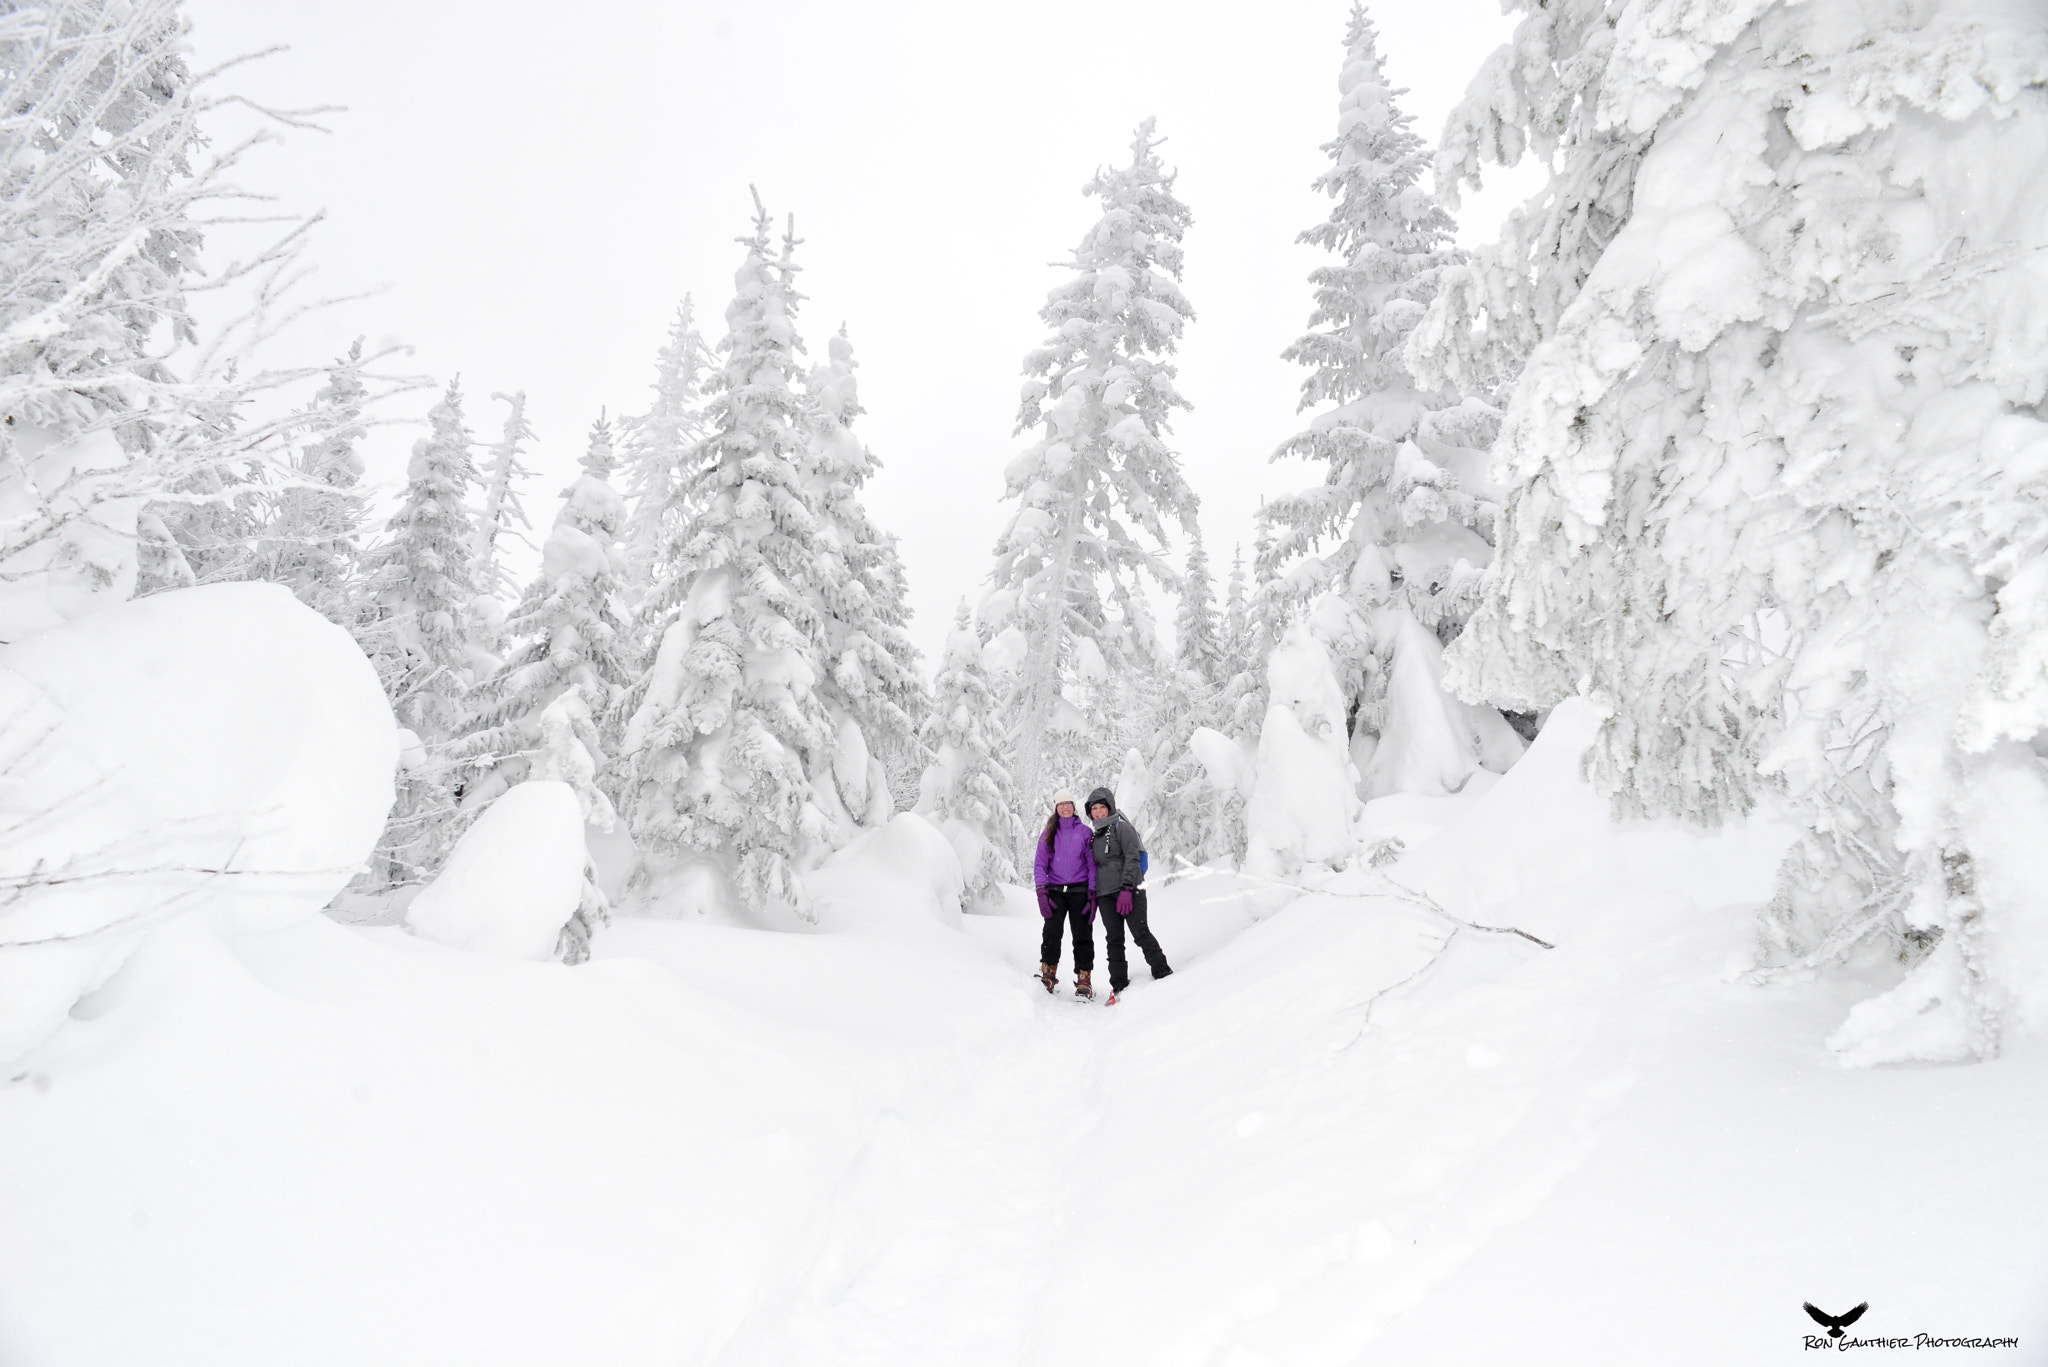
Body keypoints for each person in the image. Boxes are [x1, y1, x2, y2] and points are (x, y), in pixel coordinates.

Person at [1085, 786, 1171, 1001]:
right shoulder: (1096, 836)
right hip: (1106, 895)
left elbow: (1132, 859)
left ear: (1109, 807)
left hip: (1129, 891)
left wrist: (1126, 889)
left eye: (1101, 807)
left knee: (1140, 932)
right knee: (1114, 939)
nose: (1097, 812)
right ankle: (1119, 985)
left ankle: (1163, 973)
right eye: (1093, 808)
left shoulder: (1122, 828)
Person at [1033, 790, 1098, 999]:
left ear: (1073, 806)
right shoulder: (1049, 832)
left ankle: (1084, 979)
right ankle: (1048, 974)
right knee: (1051, 933)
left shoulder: (1085, 832)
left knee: (1082, 935)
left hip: (1080, 890)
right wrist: (1041, 892)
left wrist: (1092, 893)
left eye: (1068, 803)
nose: (1065, 808)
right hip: (1055, 891)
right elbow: (1040, 864)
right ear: (1056, 808)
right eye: (1060, 805)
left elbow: (1092, 865)